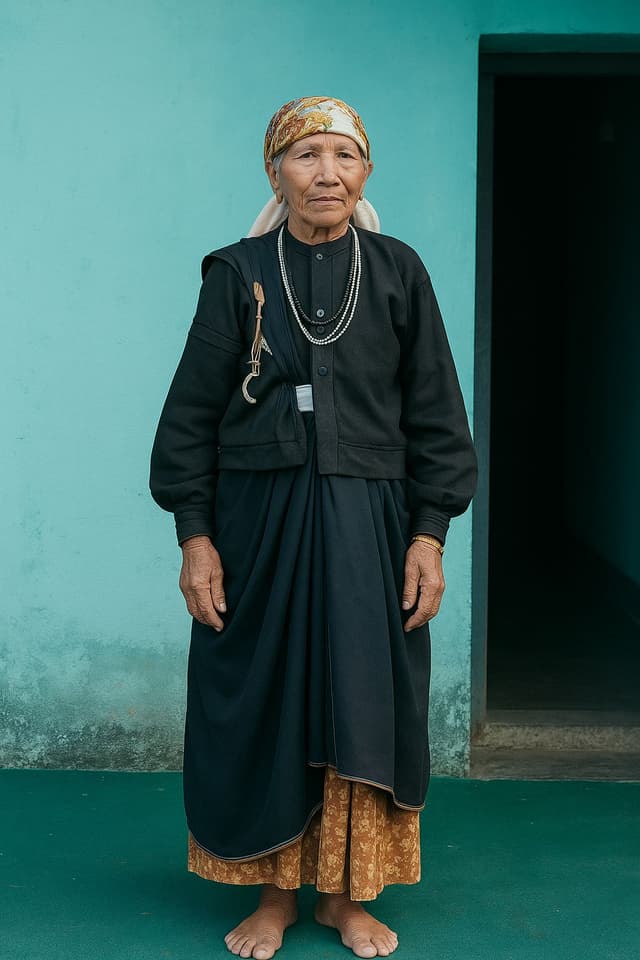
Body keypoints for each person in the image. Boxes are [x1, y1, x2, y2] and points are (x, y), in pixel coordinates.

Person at [149, 96, 477, 960]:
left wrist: (428, 535)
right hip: (258, 527)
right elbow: (188, 419)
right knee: (267, 697)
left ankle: (342, 896)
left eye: (343, 155)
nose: (325, 173)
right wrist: (196, 536)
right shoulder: (239, 272)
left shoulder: (400, 271)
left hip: (372, 525)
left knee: (363, 700)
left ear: (366, 171)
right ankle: (273, 894)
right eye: (306, 156)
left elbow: (439, 418)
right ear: (275, 172)